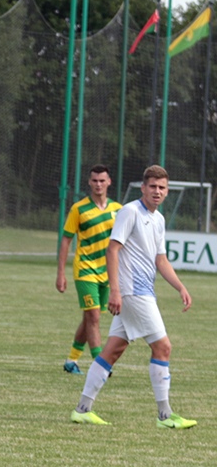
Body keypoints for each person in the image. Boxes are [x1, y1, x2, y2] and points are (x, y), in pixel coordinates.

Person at [70, 165, 196, 429]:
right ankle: (165, 416)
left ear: (167, 191)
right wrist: (115, 290)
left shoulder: (158, 219)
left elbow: (161, 260)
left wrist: (180, 287)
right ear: (143, 188)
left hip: (142, 291)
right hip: (133, 292)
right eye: (153, 186)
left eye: (162, 187)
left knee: (113, 350)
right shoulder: (130, 211)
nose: (157, 191)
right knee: (163, 347)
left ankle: (82, 409)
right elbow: (112, 250)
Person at [56, 165, 122, 374]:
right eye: (95, 181)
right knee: (93, 317)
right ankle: (100, 366)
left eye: (102, 181)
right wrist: (60, 273)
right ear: (89, 182)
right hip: (85, 269)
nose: (98, 184)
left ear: (109, 182)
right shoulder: (79, 209)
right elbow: (66, 240)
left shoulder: (118, 210)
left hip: (107, 273)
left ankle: (71, 361)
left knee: (89, 318)